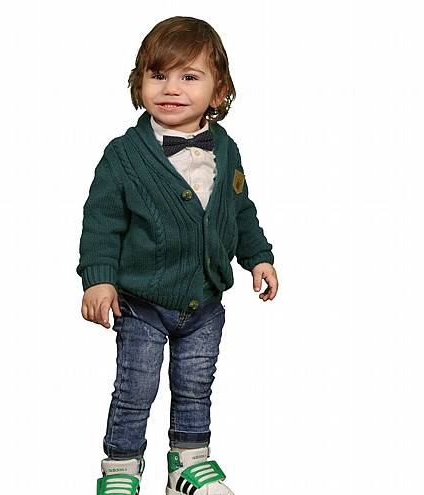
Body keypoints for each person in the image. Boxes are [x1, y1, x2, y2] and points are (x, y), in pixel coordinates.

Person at [76, 15, 279, 495]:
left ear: (218, 91)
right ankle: (121, 467)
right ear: (139, 83)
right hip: (141, 304)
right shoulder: (123, 155)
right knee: (135, 390)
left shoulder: (225, 149)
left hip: (205, 304)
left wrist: (259, 256)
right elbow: (101, 221)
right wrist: (98, 279)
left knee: (195, 387)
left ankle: (187, 464)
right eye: (158, 74)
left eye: (189, 76)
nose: (171, 88)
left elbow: (239, 210)